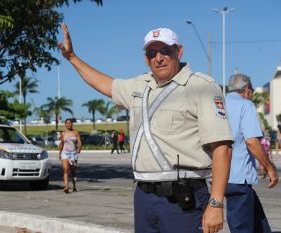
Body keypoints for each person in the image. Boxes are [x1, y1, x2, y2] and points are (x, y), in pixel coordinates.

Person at [58, 24, 234, 233]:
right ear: (146, 58)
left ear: (179, 51)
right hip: (144, 196)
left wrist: (216, 204)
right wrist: (72, 58)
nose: (158, 58)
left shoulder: (202, 86)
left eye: (165, 51)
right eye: (152, 53)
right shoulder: (139, 86)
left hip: (183, 200)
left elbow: (222, 147)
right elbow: (105, 84)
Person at [225, 73, 279, 233]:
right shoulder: (245, 105)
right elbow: (251, 141)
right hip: (238, 179)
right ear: (247, 89)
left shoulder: (219, 104)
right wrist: (269, 167)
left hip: (222, 175)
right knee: (242, 228)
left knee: (259, 225)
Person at [58, 118, 82, 193]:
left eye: (70, 123)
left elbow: (79, 142)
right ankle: (66, 187)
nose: (69, 124)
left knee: (73, 171)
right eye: (67, 123)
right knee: (65, 169)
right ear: (65, 124)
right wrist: (59, 153)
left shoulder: (76, 132)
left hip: (73, 153)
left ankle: (74, 186)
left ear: (72, 124)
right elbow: (61, 144)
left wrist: (78, 149)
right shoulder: (63, 133)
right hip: (65, 153)